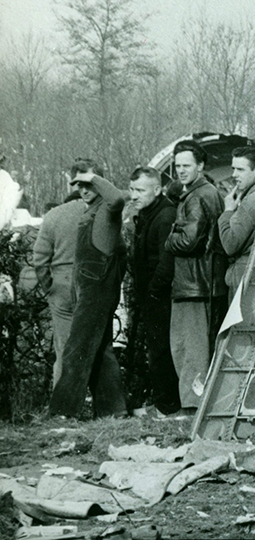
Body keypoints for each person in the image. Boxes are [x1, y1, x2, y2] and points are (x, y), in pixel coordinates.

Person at [48, 162, 128, 419]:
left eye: (88, 185)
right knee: (101, 351)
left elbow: (117, 197)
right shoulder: (90, 211)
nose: (83, 190)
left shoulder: (106, 209)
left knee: (77, 349)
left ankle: (63, 413)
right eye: (78, 185)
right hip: (89, 290)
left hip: (96, 292)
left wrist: (93, 176)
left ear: (98, 183)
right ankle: (112, 410)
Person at [165, 140, 224, 411]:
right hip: (198, 283)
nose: (180, 171)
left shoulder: (199, 195)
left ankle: (193, 407)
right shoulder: (201, 192)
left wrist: (169, 239)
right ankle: (193, 404)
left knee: (192, 350)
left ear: (200, 166)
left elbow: (189, 241)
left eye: (186, 165)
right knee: (191, 347)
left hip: (195, 284)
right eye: (177, 166)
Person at [128, 166, 181, 416]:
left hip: (159, 297)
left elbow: (166, 259)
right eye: (132, 189)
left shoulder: (165, 215)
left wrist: (152, 292)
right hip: (151, 295)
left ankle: (167, 406)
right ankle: (163, 403)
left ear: (157, 189)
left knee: (162, 351)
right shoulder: (150, 214)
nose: (134, 195)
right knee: (156, 350)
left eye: (140, 190)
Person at [31, 175, 87, 387]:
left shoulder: (54, 216)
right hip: (91, 281)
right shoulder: (97, 212)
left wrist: (49, 287)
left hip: (61, 281)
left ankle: (62, 400)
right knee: (95, 342)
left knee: (63, 346)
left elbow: (39, 259)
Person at [217, 146, 255, 297]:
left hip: (244, 277)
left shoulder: (252, 200)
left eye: (240, 170)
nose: (234, 175)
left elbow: (230, 244)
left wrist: (227, 211)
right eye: (233, 169)